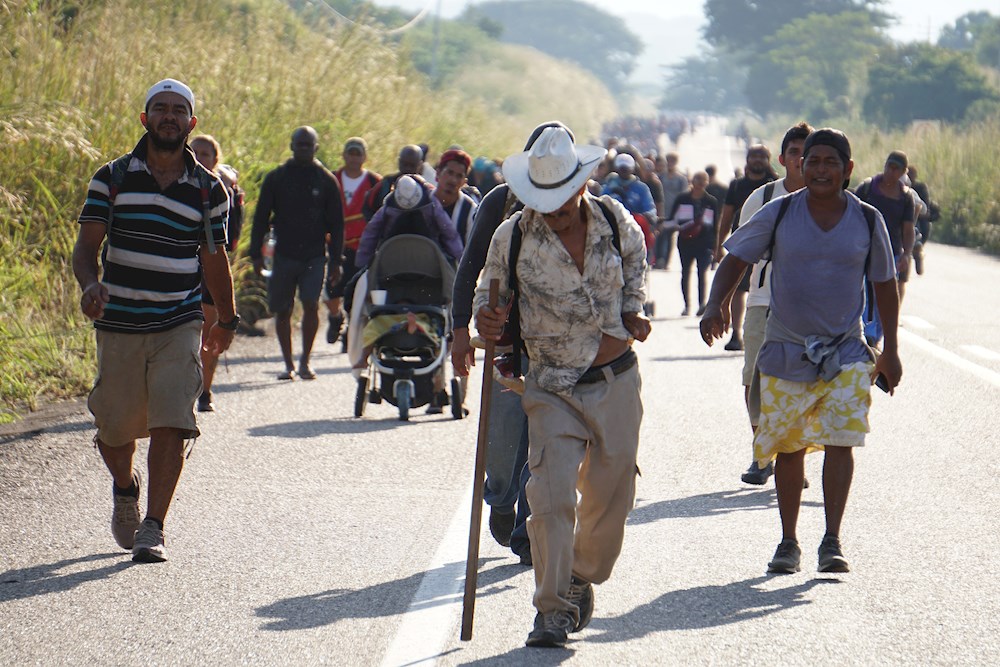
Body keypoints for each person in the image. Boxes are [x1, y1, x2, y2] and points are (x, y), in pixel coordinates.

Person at [474, 126, 650, 648]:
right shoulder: (513, 235)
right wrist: (486, 321)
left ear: (581, 184)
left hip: (614, 380)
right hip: (550, 385)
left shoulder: (618, 223)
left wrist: (634, 312)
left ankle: (578, 575)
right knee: (549, 498)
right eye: (543, 204)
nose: (554, 213)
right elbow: (490, 297)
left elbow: (635, 276)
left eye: (562, 202)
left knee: (611, 498)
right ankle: (551, 610)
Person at [700, 128, 902, 575]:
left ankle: (831, 539)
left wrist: (890, 350)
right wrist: (715, 304)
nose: (821, 170)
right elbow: (736, 259)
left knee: (841, 440)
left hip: (846, 350)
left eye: (831, 162)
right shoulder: (781, 212)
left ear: (848, 169)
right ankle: (788, 541)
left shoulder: (867, 220)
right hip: (787, 348)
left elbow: (885, 286)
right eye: (813, 162)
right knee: (788, 449)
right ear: (800, 166)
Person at [72, 78, 236, 563]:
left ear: (192, 123)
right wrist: (89, 286)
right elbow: (87, 248)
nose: (169, 116)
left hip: (178, 320)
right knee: (115, 427)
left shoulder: (209, 190)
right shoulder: (113, 177)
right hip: (120, 320)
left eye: (178, 110)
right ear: (145, 119)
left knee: (172, 418)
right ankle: (126, 487)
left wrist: (225, 317)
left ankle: (154, 526)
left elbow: (213, 259)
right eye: (160, 109)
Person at [452, 122, 572, 567]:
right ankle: (502, 502)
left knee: (546, 443)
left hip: (561, 345)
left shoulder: (585, 208)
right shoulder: (499, 202)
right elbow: (469, 269)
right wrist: (460, 329)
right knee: (504, 449)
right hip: (507, 340)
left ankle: (528, 532)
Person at [723, 122, 812, 485]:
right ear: (783, 158)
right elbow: (740, 254)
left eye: (809, 153)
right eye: (795, 152)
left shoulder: (832, 204)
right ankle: (763, 452)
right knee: (754, 379)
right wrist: (720, 304)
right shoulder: (761, 199)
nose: (802, 160)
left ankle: (791, 457)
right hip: (763, 300)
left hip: (812, 308)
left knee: (804, 383)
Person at [248, 126, 345, 380]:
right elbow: (261, 218)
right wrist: (255, 254)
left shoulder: (326, 181)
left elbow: (336, 224)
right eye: (299, 144)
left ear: (316, 148)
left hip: (315, 255)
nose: (303, 148)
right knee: (282, 309)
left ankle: (306, 362)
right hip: (284, 254)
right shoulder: (276, 178)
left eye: (308, 144)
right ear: (291, 146)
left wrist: (336, 260)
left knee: (311, 303)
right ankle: (288, 364)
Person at [190, 134, 245, 413]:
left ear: (215, 159)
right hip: (182, 271)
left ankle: (205, 391)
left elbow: (230, 241)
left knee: (207, 335)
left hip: (210, 271)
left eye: (206, 154)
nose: (199, 157)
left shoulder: (223, 193)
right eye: (194, 151)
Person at [714, 144, 777, 351]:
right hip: (742, 245)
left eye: (761, 156)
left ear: (768, 160)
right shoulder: (737, 186)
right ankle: (736, 333)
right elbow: (727, 216)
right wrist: (719, 245)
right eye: (754, 156)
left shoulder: (774, 186)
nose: (757, 160)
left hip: (770, 248)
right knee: (738, 290)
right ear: (747, 160)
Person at [853, 150, 916, 345]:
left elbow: (907, 229)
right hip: (864, 251)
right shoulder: (867, 188)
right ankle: (862, 334)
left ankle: (876, 338)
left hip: (891, 253)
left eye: (896, 168)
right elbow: (851, 216)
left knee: (885, 298)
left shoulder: (905, 198)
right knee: (862, 294)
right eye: (889, 166)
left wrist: (907, 254)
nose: (891, 171)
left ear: (903, 172)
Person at [328, 137, 382, 346]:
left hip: (362, 249)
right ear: (344, 155)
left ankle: (350, 332)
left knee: (356, 292)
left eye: (358, 153)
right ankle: (335, 317)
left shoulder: (374, 182)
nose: (353, 157)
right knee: (330, 294)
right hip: (335, 247)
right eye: (350, 152)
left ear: (364, 157)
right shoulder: (332, 178)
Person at [668, 171, 719, 316]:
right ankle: (686, 305)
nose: (700, 183)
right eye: (698, 179)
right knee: (685, 273)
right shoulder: (682, 198)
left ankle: (702, 304)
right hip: (685, 241)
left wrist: (716, 246)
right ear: (692, 181)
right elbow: (673, 218)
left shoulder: (711, 201)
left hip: (704, 243)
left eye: (703, 180)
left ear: (707, 183)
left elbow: (716, 225)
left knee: (702, 273)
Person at [364, 144, 424, 218]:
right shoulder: (386, 184)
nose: (408, 169)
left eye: (412, 165)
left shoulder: (425, 188)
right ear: (399, 162)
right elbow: (368, 206)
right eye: (405, 164)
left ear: (420, 165)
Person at [433, 148, 478, 244]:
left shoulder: (469, 210)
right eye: (449, 172)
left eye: (459, 176)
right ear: (438, 173)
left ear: (464, 182)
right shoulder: (424, 201)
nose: (453, 180)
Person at [654, 151, 688, 269]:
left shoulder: (681, 179)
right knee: (659, 236)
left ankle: (666, 261)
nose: (670, 163)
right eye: (669, 161)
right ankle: (658, 259)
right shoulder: (660, 176)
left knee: (669, 237)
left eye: (673, 161)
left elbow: (684, 197)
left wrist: (683, 217)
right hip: (661, 211)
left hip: (674, 212)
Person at [602, 153, 657, 224]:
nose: (624, 171)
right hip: (612, 225)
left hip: (635, 226)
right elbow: (600, 205)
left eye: (626, 168)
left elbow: (650, 209)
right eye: (622, 168)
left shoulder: (642, 188)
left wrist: (648, 215)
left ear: (633, 169)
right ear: (616, 168)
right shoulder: (609, 186)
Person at [906, 165, 937, 275]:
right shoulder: (896, 187)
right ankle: (916, 249)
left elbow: (925, 209)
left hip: (918, 220)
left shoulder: (919, 188)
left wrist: (915, 213)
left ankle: (916, 248)